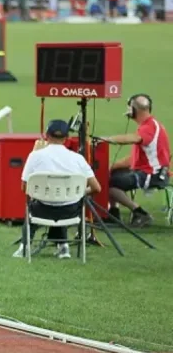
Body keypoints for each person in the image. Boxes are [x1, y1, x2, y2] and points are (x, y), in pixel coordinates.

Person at [14, 120, 101, 259]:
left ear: (47, 135)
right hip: (70, 211)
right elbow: (97, 188)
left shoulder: (35, 155)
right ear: (67, 138)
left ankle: (24, 247)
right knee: (61, 201)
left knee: (47, 202)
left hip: (41, 210)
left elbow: (24, 188)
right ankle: (63, 246)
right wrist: (78, 193)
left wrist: (34, 151)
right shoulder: (78, 158)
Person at [102, 94, 170, 227]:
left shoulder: (149, 127)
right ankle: (113, 212)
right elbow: (133, 159)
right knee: (108, 175)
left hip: (153, 174)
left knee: (110, 183)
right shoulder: (148, 126)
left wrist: (108, 139)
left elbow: (133, 138)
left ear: (135, 109)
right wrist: (111, 166)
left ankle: (140, 213)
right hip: (150, 171)